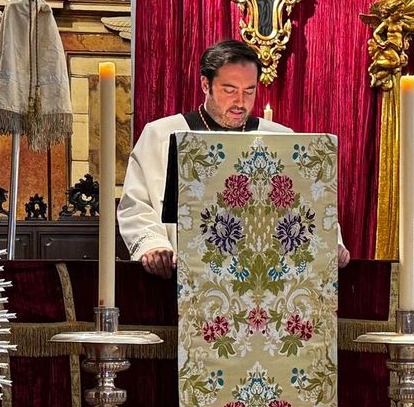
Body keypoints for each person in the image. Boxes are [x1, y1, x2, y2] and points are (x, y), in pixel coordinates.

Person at [120, 38, 350, 275]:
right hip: (183, 275)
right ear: (205, 84)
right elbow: (136, 205)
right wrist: (154, 245)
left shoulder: (280, 138)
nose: (240, 102)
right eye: (229, 90)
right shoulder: (161, 134)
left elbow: (310, 206)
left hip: (263, 280)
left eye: (249, 91)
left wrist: (333, 244)